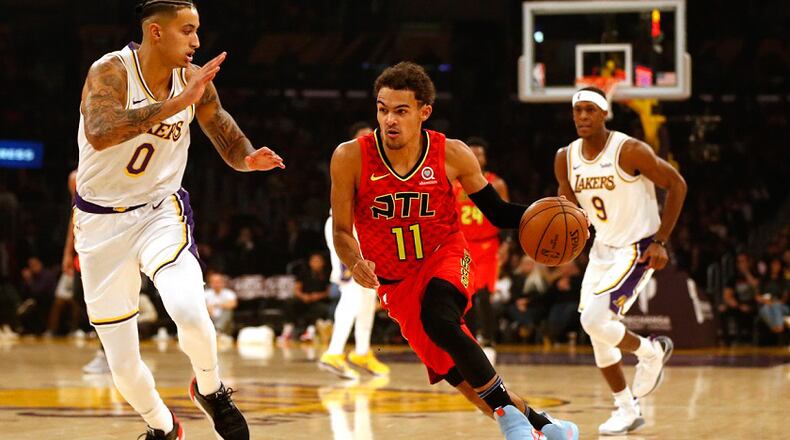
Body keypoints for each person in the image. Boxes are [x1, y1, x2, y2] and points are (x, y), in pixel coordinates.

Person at [330, 61, 578, 440]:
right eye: (382, 109)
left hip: (444, 255)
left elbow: (496, 212)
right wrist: (354, 260)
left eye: (401, 110)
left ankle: (510, 420)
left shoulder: (452, 153)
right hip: (395, 283)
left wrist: (557, 214)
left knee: (440, 319)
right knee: (464, 381)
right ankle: (549, 428)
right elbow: (342, 232)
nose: (389, 120)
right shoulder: (350, 157)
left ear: (424, 112)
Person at [73, 1, 284, 438]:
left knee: (189, 309)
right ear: (155, 32)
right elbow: (100, 129)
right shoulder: (111, 71)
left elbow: (217, 121)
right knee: (125, 368)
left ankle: (211, 389)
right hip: (99, 224)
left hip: (159, 212)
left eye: (197, 31)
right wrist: (177, 103)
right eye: (188, 31)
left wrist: (246, 157)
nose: (197, 42)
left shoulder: (195, 83)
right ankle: (163, 427)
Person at [554, 86, 687, 435]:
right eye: (577, 110)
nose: (582, 116)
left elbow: (677, 185)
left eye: (590, 110)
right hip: (602, 249)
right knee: (596, 331)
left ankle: (651, 351)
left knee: (596, 321)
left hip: (637, 247)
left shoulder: (629, 150)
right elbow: (568, 210)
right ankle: (626, 409)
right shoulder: (565, 158)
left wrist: (660, 241)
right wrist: (560, 240)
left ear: (604, 114)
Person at [453, 136, 508, 353]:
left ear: (485, 158)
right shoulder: (454, 183)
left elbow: (504, 216)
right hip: (463, 246)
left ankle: (488, 337)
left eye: (480, 153)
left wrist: (507, 244)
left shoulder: (497, 183)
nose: (476, 157)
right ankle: (471, 336)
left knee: (484, 293)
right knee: (466, 294)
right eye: (472, 153)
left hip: (488, 246)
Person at [204, 271, 238, 337]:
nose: (216, 284)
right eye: (214, 282)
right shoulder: (206, 294)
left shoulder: (229, 293)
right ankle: (216, 330)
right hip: (211, 319)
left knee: (227, 311)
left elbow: (233, 304)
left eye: (218, 281)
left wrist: (217, 305)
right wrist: (208, 309)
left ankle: (218, 330)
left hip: (225, 321)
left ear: (222, 282)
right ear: (210, 283)